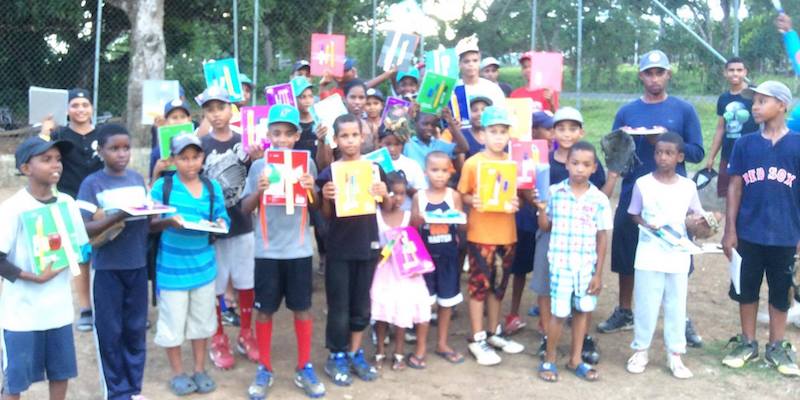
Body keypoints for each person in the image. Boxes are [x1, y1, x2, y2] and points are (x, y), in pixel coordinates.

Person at [598, 50, 704, 350]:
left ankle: (680, 317)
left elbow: (695, 151)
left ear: (668, 74)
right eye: (649, 72)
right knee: (627, 251)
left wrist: (664, 142)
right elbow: (615, 149)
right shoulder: (628, 112)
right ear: (641, 76)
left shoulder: (683, 110)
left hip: (672, 194)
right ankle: (625, 310)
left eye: (660, 72)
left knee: (677, 253)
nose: (654, 78)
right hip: (635, 190)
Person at [240, 105, 326, 399]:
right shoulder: (258, 167)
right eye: (276, 133)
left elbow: (314, 208)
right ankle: (264, 367)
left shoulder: (308, 165)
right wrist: (259, 191)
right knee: (264, 310)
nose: (282, 139)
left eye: (288, 134)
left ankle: (304, 366)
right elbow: (244, 209)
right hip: (266, 251)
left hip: (299, 249)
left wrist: (311, 188)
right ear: (268, 135)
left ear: (297, 135)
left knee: (302, 307)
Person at [721, 81, 800, 377]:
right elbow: (735, 187)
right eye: (753, 101)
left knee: (781, 292)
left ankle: (777, 346)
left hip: (785, 233)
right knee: (746, 290)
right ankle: (748, 342)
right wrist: (730, 229)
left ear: (782, 105)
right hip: (749, 232)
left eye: (762, 101)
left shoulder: (797, 144)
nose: (754, 106)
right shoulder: (745, 144)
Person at [0, 135, 88, 400]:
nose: (56, 165)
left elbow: (78, 248)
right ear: (26, 168)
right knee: (15, 380)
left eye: (58, 159)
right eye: (46, 159)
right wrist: (33, 277)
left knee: (61, 373)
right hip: (21, 314)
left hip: (58, 311)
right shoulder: (12, 208)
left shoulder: (67, 205)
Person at [530, 107, 615, 363]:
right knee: (552, 300)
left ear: (593, 167)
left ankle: (576, 356)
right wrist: (540, 209)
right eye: (575, 164)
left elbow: (602, 235)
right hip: (558, 254)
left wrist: (599, 272)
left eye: (586, 165)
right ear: (567, 164)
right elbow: (546, 224)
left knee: (582, 308)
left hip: (584, 260)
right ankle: (550, 348)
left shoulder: (597, 198)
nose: (579, 169)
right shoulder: (553, 185)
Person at [150, 134, 230, 396]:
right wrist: (168, 222)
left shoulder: (212, 187)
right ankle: (177, 372)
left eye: (195, 157)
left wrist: (220, 224)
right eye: (183, 158)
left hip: (204, 268)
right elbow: (149, 223)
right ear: (173, 160)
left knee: (202, 321)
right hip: (172, 269)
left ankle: (199, 368)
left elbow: (221, 216)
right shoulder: (163, 187)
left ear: (202, 157)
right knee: (172, 323)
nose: (190, 163)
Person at [77, 124, 151, 399]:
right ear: (101, 150)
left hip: (137, 265)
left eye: (126, 148)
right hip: (108, 268)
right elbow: (83, 228)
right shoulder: (92, 183)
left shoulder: (136, 179)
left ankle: (133, 389)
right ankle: (116, 391)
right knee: (111, 331)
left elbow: (147, 222)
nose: (121, 154)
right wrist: (118, 215)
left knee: (134, 330)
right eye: (114, 148)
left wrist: (165, 218)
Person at [316, 113, 390, 386]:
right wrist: (326, 197)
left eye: (354, 135)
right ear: (335, 140)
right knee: (339, 305)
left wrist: (385, 192)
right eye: (343, 136)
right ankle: (336, 355)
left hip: (368, 244)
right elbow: (325, 215)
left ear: (363, 137)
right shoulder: (329, 173)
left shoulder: (374, 169)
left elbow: (387, 206)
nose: (350, 141)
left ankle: (355, 352)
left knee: (361, 302)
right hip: (338, 248)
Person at [625, 133, 703, 379]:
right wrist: (646, 224)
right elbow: (634, 213)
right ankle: (641, 349)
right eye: (659, 152)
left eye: (669, 153)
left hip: (678, 254)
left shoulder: (688, 186)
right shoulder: (643, 184)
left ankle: (675, 353)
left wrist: (702, 222)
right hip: (649, 253)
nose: (663, 157)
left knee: (676, 304)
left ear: (680, 157)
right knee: (646, 302)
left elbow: (697, 216)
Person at [195, 86, 260, 369]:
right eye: (209, 109)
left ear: (231, 108)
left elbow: (257, 176)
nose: (216, 114)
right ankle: (218, 336)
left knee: (246, 280)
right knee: (217, 284)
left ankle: (247, 332)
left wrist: (257, 158)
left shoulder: (245, 141)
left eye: (220, 107)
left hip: (243, 221)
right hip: (214, 226)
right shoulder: (200, 146)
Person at [457, 106, 524, 366]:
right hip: (480, 233)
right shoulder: (474, 163)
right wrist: (470, 199)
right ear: (482, 135)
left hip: (507, 233)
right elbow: (461, 193)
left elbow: (521, 193)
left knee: (499, 286)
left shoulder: (514, 162)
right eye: (492, 131)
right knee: (478, 285)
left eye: (503, 132)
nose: (498, 137)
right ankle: (477, 337)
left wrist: (519, 202)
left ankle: (494, 331)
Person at [49, 88, 101, 332]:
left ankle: (104, 304)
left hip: (101, 205)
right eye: (75, 105)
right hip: (70, 202)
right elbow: (43, 155)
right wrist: (45, 130)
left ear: (92, 107)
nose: (80, 109)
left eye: (85, 104)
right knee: (81, 258)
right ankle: (85, 308)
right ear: (67, 109)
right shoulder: (59, 134)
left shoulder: (103, 133)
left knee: (104, 255)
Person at [372, 173, 432, 371]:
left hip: (405, 272)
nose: (398, 198)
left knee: (402, 312)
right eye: (393, 193)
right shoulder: (375, 215)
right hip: (383, 270)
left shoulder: (408, 217)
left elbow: (415, 245)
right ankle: (379, 350)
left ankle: (398, 352)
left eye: (402, 194)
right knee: (382, 313)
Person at [412, 151, 466, 365]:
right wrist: (419, 219)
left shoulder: (453, 196)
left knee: (446, 303)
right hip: (426, 259)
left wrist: (461, 219)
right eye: (435, 170)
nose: (440, 175)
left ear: (450, 172)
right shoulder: (419, 197)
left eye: (444, 170)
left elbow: (462, 227)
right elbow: (413, 228)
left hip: (448, 258)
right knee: (425, 304)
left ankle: (442, 343)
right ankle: (421, 346)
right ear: (426, 172)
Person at [504, 110, 554, 335]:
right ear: (534, 131)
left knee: (547, 266)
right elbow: (517, 184)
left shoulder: (555, 154)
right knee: (520, 268)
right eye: (549, 128)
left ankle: (544, 315)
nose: (553, 134)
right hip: (525, 217)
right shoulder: (521, 153)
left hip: (549, 217)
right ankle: (513, 312)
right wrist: (530, 200)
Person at [705, 57, 758, 198]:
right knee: (727, 194)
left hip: (751, 152)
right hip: (728, 153)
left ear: (745, 72)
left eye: (739, 70)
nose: (735, 73)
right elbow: (720, 128)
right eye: (731, 70)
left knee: (751, 193)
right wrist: (711, 157)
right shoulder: (723, 99)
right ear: (725, 73)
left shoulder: (753, 95)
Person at [378, 129, 427, 211]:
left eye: (397, 144)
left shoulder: (412, 165)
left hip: (406, 213)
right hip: (381, 215)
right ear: (380, 143)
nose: (392, 149)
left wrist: (404, 186)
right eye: (387, 144)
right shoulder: (374, 163)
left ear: (403, 145)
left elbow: (422, 195)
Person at [150, 98, 194, 186]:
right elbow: (152, 188)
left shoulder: (197, 148)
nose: (179, 121)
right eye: (174, 117)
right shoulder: (158, 152)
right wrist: (157, 171)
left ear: (189, 119)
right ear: (166, 121)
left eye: (183, 117)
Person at [403, 111, 468, 171]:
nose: (430, 128)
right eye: (425, 124)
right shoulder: (408, 144)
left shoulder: (439, 145)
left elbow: (463, 148)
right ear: (415, 124)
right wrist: (409, 115)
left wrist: (451, 123)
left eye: (433, 125)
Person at [454, 36, 506, 108]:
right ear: (459, 64)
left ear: (479, 62)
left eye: (475, 60)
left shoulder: (492, 88)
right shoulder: (453, 88)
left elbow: (501, 114)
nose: (471, 64)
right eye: (466, 61)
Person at [364, 88, 385, 153]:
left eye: (376, 103)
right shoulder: (361, 125)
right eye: (368, 104)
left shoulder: (388, 123)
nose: (372, 107)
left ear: (382, 105)